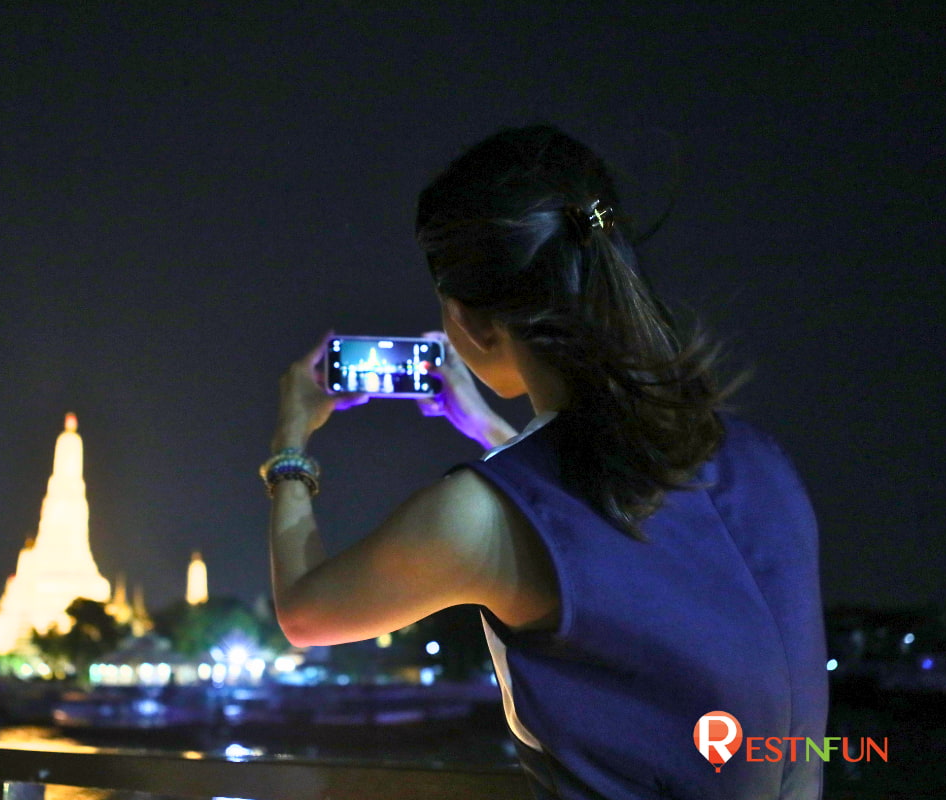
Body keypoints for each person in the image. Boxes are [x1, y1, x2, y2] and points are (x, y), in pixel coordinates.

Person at [263, 125, 828, 798]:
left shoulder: (477, 516)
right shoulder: (761, 461)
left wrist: (291, 444)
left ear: (466, 322)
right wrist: (485, 427)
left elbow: (306, 615)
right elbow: (606, 517)